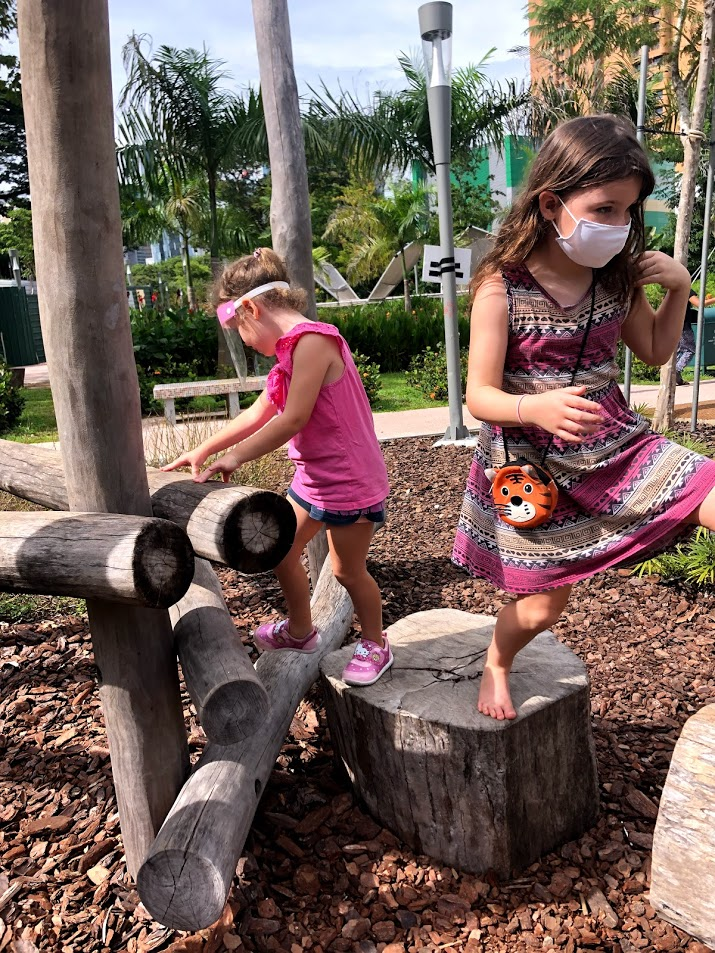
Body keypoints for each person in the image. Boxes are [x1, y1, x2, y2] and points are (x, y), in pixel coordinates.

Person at [452, 115, 715, 721]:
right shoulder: (502, 286)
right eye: (604, 209)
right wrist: (533, 406)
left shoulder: (617, 278)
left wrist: (679, 290)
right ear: (551, 204)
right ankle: (498, 661)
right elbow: (479, 397)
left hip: (614, 442)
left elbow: (654, 351)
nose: (620, 225)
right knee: (544, 607)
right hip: (529, 462)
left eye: (628, 211)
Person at [163, 247, 393, 687]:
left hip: (350, 480)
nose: (245, 342)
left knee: (347, 571)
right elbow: (258, 413)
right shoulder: (288, 355)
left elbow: (293, 419)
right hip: (313, 479)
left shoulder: (314, 343)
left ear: (252, 309)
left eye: (239, 331)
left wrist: (237, 456)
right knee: (282, 549)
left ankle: (375, 643)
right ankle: (302, 631)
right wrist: (204, 448)